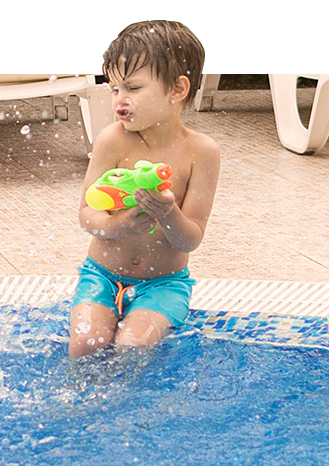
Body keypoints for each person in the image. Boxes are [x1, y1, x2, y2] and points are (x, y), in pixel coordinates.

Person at [69, 20, 221, 358]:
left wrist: (168, 213)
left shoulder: (201, 152)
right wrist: (116, 226)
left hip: (164, 284)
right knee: (85, 343)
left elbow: (190, 239)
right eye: (114, 89)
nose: (119, 101)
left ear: (177, 90)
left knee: (133, 347)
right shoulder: (112, 140)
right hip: (101, 275)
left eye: (133, 88)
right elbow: (85, 214)